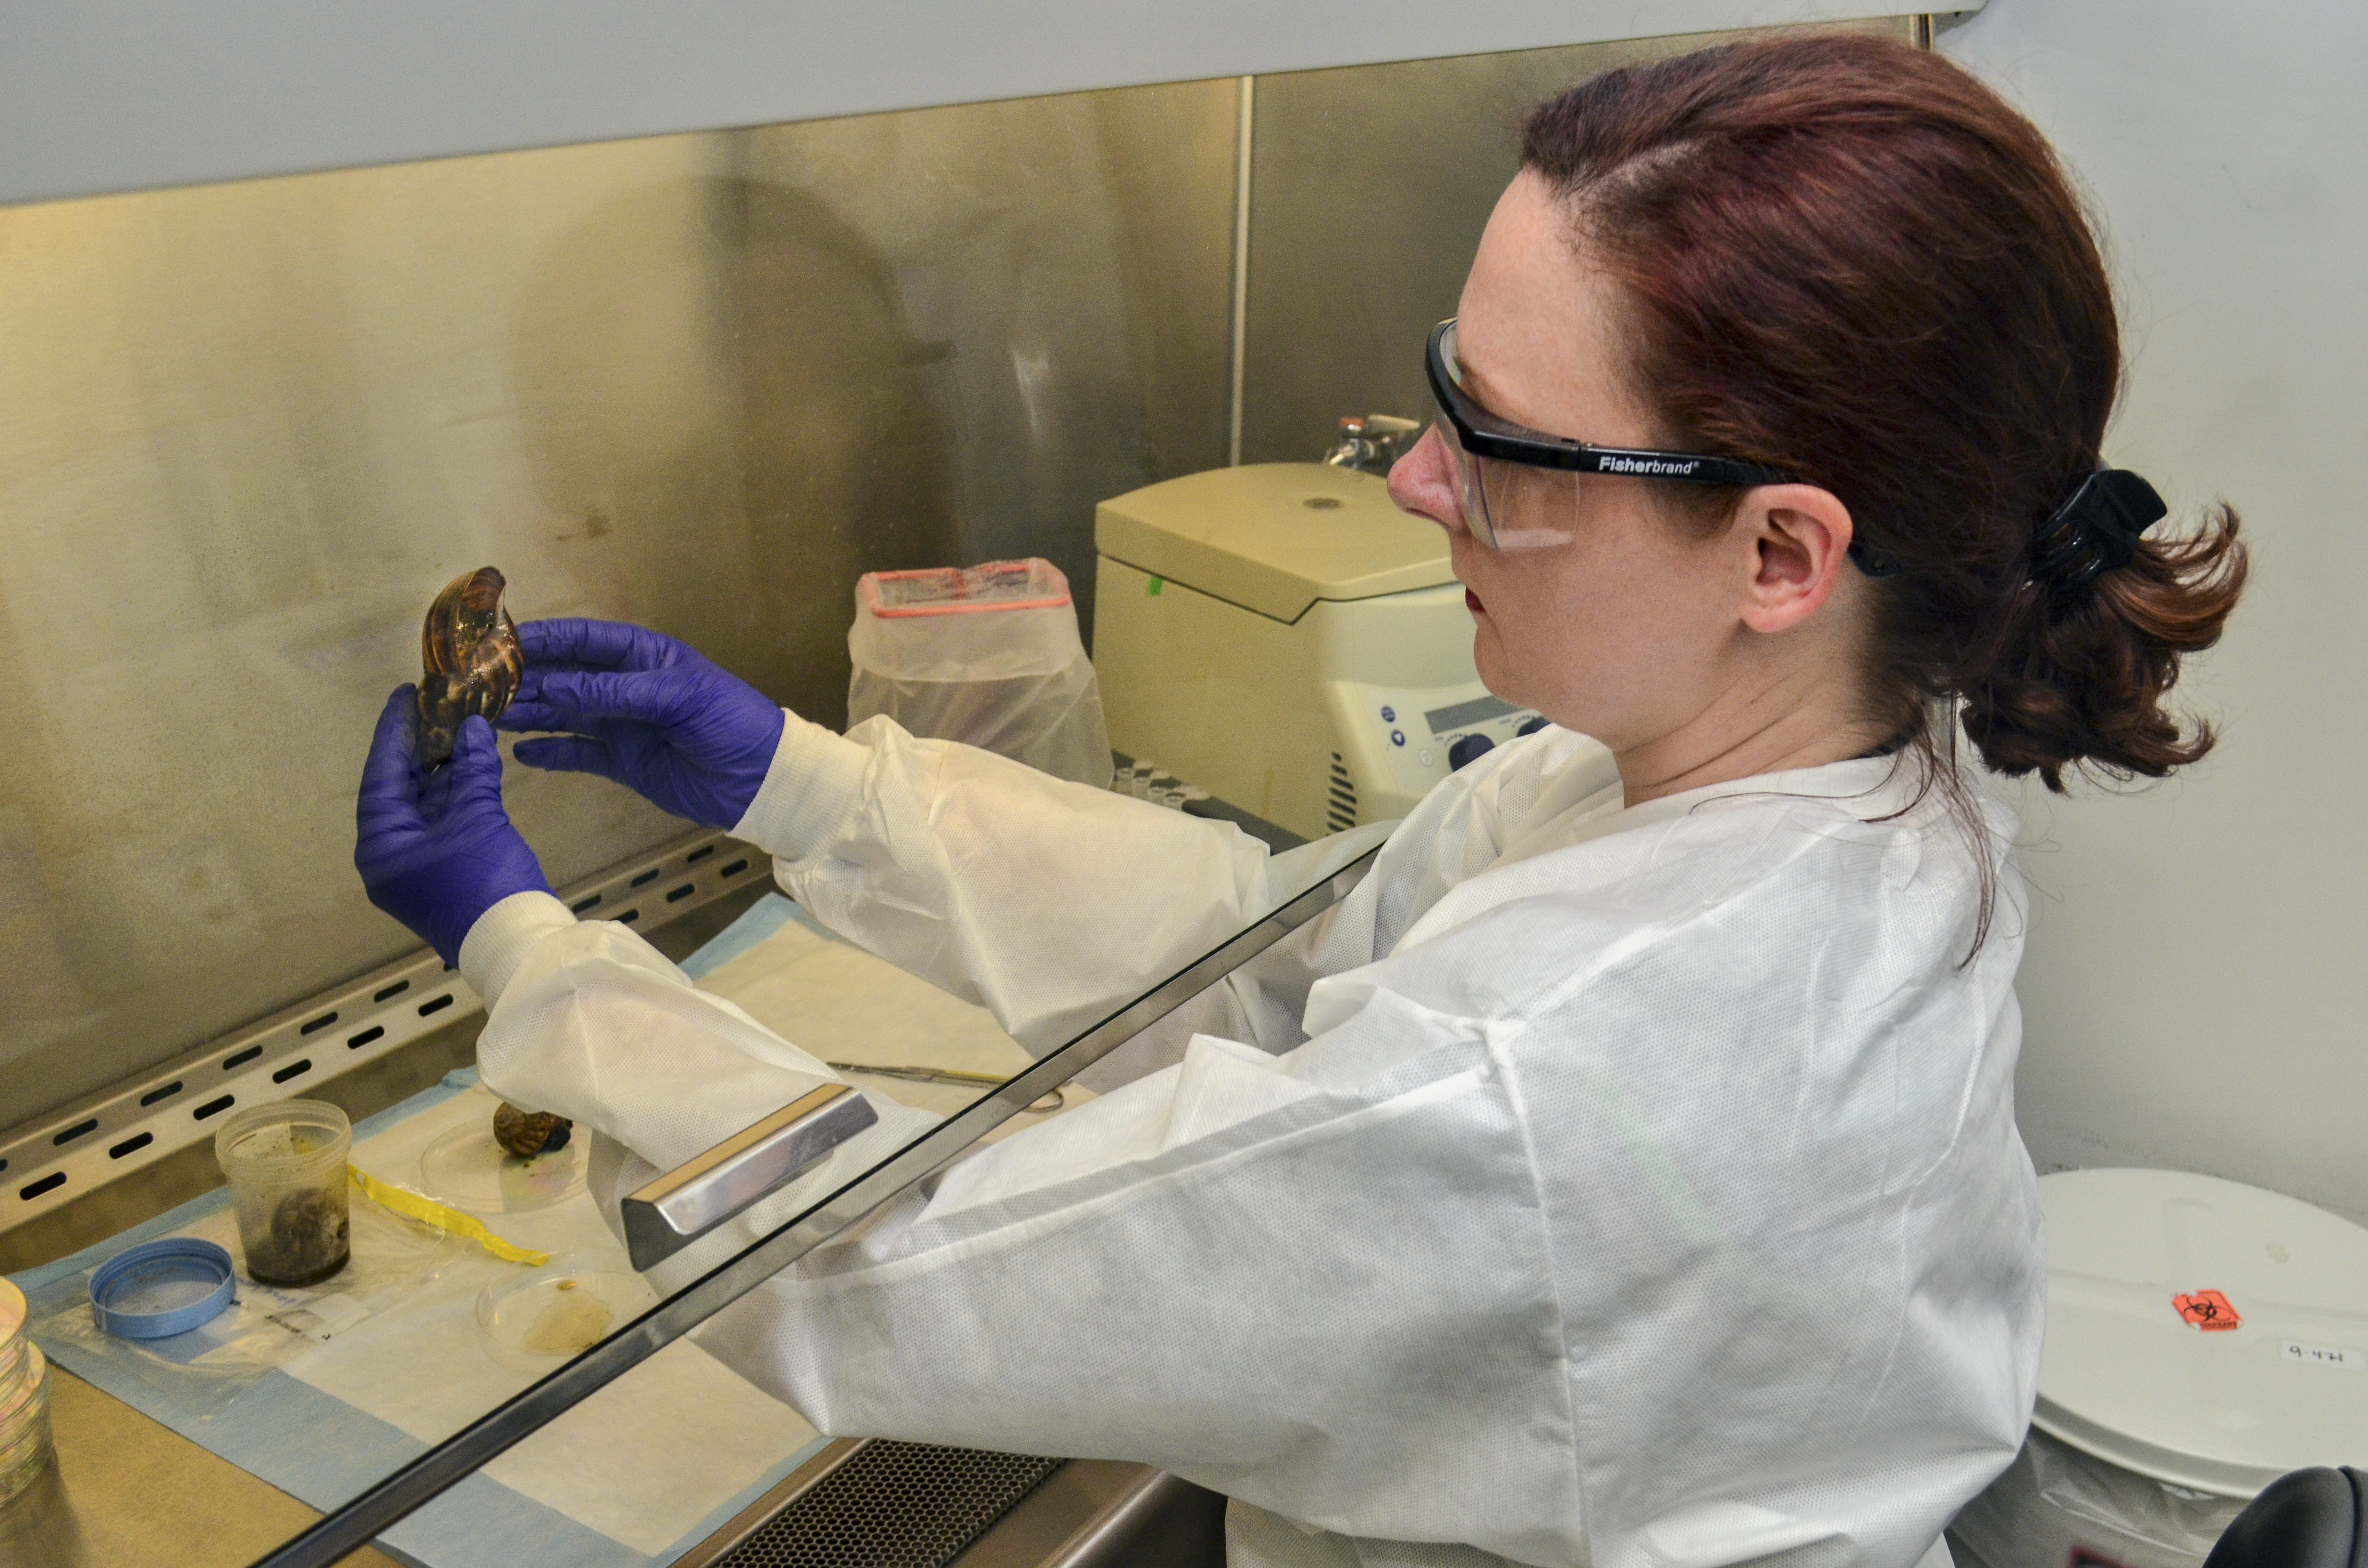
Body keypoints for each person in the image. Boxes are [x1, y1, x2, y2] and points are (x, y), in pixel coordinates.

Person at [356, 33, 2245, 1568]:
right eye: (1443, 391)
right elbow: (1286, 959)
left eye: (1493, 443)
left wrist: (527, 954)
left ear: (1774, 551)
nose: (1417, 482)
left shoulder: (1549, 1071)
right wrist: (810, 789)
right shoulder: (1838, 769)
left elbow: (880, 1275)